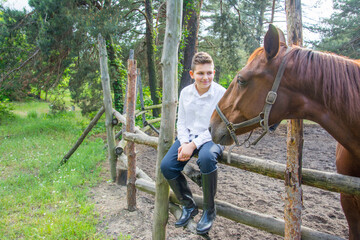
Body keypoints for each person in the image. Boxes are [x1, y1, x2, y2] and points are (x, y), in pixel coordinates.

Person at [160, 52, 226, 235]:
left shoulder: (221, 93)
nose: (206, 77)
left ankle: (209, 211)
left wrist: (193, 145)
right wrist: (184, 142)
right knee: (167, 166)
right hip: (188, 136)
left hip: (214, 136)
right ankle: (189, 206)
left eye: (209, 73)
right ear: (192, 74)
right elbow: (181, 122)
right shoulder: (185, 93)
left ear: (213, 72)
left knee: (205, 158)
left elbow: (217, 127)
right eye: (201, 73)